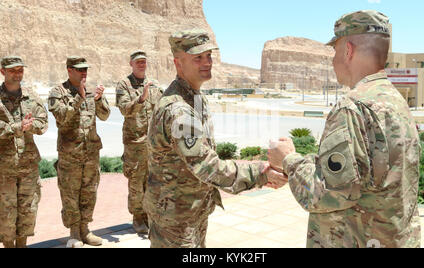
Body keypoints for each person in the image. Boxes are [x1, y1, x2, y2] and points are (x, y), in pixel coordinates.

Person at [266, 10, 421, 248]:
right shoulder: (396, 101)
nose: (332, 59)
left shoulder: (352, 107)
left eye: (335, 50)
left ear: (348, 50)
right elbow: (366, 172)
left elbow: (323, 194)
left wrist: (288, 159)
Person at [143, 29, 268, 248]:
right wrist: (261, 173)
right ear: (178, 63)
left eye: (209, 56)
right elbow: (206, 166)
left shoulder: (195, 97)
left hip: (192, 210)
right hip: (175, 220)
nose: (207, 62)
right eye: (198, 57)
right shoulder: (179, 110)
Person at [48, 56, 110, 247]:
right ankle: (74, 233)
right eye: (80, 70)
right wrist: (78, 98)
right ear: (69, 70)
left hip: (91, 153)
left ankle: (85, 230)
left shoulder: (91, 92)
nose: (84, 73)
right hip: (70, 155)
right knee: (70, 194)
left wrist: (99, 100)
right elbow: (61, 118)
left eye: (86, 70)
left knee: (89, 193)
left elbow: (105, 115)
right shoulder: (57, 92)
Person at [0, 56, 48, 248]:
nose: (18, 73)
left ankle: (22, 245)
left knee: (28, 209)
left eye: (20, 69)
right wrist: (16, 127)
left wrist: (30, 126)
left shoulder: (31, 96)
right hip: (4, 168)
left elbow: (43, 122)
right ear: (3, 72)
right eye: (13, 70)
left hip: (28, 165)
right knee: (5, 211)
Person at [116, 50, 163, 234]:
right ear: (131, 64)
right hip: (134, 143)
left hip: (153, 143)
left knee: (153, 182)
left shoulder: (155, 85)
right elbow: (124, 109)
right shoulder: (124, 85)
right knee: (136, 182)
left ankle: (151, 216)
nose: (141, 65)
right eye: (138, 62)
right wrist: (141, 98)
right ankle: (137, 218)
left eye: (144, 62)